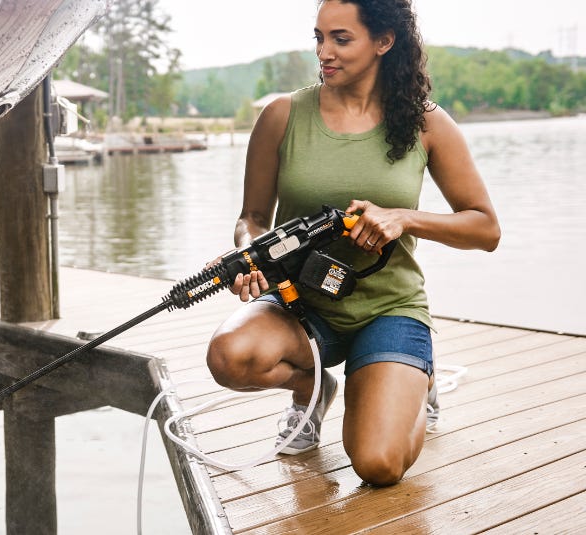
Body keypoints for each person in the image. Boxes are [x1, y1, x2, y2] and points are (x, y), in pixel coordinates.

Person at [205, 0, 500, 487]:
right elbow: (252, 218)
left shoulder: (427, 123)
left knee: (378, 464)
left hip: (389, 309)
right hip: (300, 304)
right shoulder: (282, 116)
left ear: (385, 41)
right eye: (318, 37)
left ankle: (414, 378)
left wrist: (403, 218)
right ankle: (315, 389)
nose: (324, 51)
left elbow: (485, 228)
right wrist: (250, 252)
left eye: (341, 39)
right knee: (229, 355)